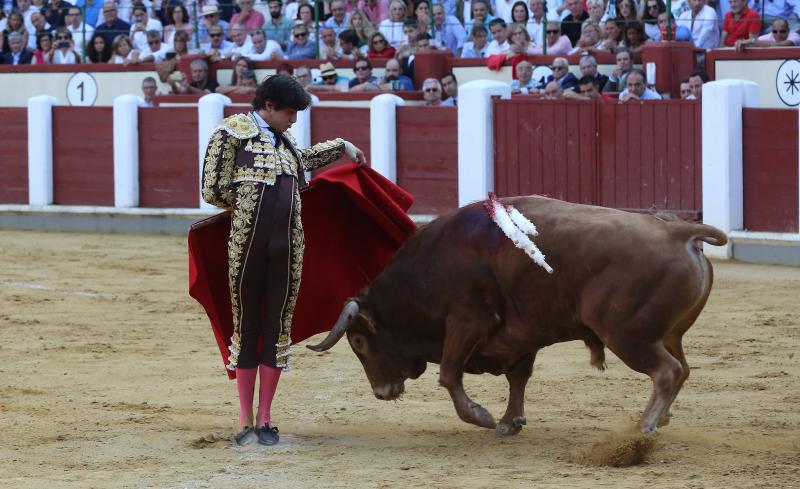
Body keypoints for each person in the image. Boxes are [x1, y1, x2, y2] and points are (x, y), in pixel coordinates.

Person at [200, 74, 366, 447]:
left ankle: (266, 418)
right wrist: (247, 206)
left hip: (289, 247)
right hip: (247, 245)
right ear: (269, 106)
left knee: (277, 326)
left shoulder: (286, 144)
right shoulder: (230, 133)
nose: (294, 119)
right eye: (290, 112)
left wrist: (342, 146)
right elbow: (211, 188)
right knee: (246, 325)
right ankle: (244, 419)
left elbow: (304, 159)